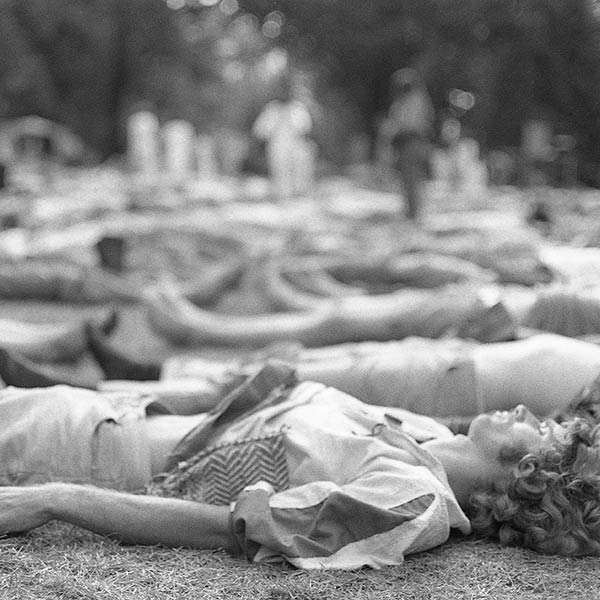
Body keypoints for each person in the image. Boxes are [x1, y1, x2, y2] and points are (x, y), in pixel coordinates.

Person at [0, 360, 598, 569]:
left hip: (84, 453)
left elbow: (233, 527)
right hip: (110, 414)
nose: (528, 408)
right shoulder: (428, 434)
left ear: (536, 478)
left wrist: (54, 499)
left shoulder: (408, 500)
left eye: (544, 429)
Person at [382, 68, 434, 221]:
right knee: (409, 179)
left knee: (412, 179)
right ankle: (412, 212)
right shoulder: (413, 101)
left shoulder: (414, 100)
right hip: (408, 144)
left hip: (411, 143)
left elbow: (407, 125)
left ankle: (414, 213)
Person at [252, 78, 313, 200]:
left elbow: (306, 128)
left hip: (296, 146)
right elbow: (259, 131)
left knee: (300, 174)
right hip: (277, 146)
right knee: (280, 173)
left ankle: (299, 198)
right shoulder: (271, 109)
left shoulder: (298, 108)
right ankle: (282, 199)